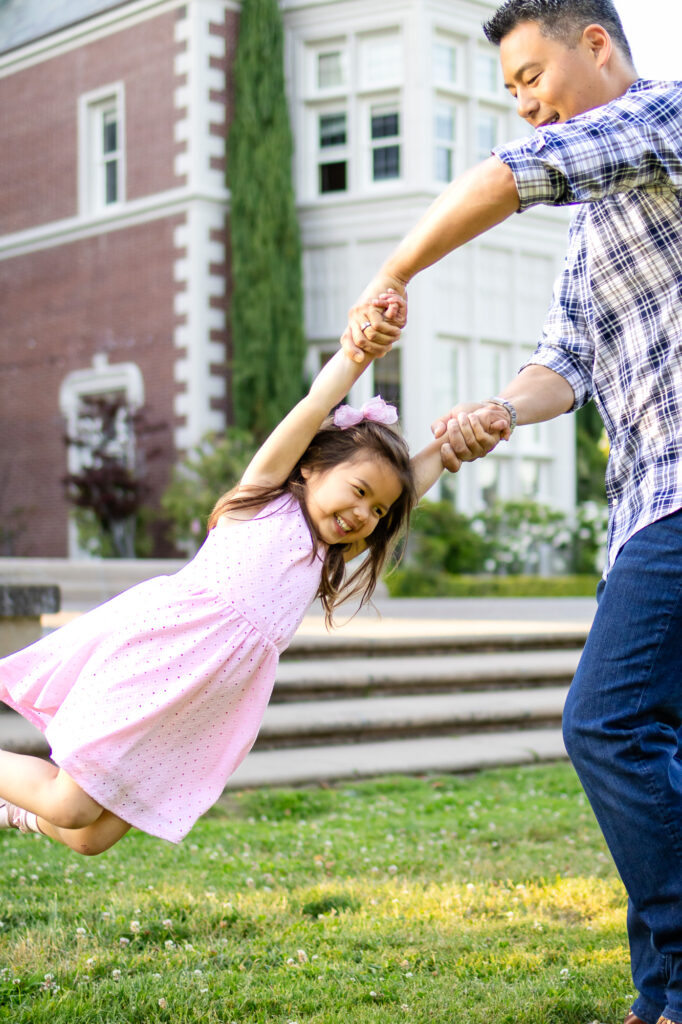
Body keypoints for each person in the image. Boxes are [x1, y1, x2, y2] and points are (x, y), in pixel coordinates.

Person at [342, 3, 682, 1023]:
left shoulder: (664, 119)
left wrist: (393, 270)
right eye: (509, 91)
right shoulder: (590, 230)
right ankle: (659, 993)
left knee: (606, 723)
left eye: (530, 76)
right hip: (640, 507)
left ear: (596, 45)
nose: (525, 103)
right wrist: (500, 406)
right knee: (652, 740)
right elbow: (565, 360)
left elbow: (507, 175)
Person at [0, 292, 445, 856]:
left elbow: (404, 497)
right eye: (359, 492)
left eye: (376, 511)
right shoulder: (259, 500)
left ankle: (12, 811)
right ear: (310, 466)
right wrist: (355, 356)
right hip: (160, 656)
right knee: (69, 803)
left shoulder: (324, 556)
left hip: (203, 698)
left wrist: (446, 452)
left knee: (91, 835)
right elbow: (312, 407)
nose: (364, 514)